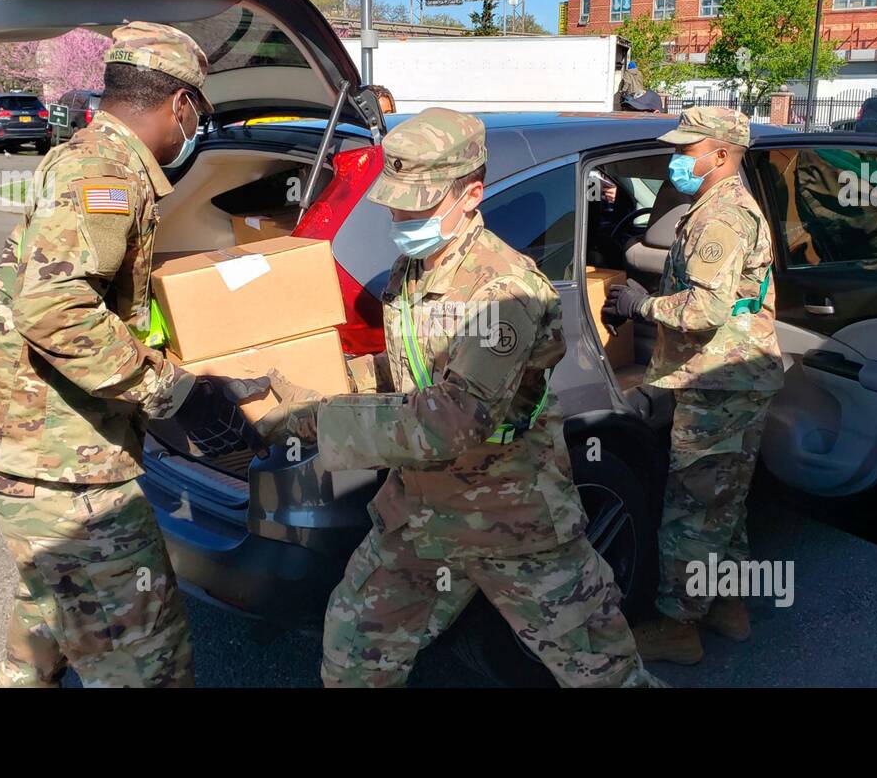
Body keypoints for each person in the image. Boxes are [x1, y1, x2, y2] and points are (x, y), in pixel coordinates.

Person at [258, 108, 657, 688]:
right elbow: (414, 366)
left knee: (603, 673)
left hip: (513, 521)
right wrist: (334, 380)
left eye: (418, 203)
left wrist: (317, 420)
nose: (400, 215)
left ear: (470, 194)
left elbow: (455, 419)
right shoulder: (414, 269)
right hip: (419, 514)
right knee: (354, 655)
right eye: (396, 200)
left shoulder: (504, 290)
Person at [0, 22, 266, 687]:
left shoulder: (85, 155)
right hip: (59, 465)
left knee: (46, 623)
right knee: (146, 655)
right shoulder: (105, 176)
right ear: (180, 105)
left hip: (31, 446)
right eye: (199, 113)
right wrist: (174, 395)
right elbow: (57, 309)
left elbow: (92, 301)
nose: (197, 129)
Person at [601, 106, 783, 665]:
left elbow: (705, 307)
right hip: (732, 375)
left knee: (693, 504)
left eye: (687, 151)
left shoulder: (720, 217)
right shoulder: (713, 206)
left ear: (721, 155)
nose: (677, 160)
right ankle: (729, 609)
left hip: (720, 380)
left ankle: (679, 626)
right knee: (723, 496)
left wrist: (640, 304)